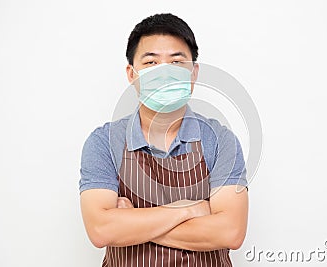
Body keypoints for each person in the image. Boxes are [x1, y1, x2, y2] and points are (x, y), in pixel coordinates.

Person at [79, 13, 249, 267]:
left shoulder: (220, 140)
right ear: (132, 74)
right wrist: (189, 209)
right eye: (151, 63)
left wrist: (131, 223)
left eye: (177, 62)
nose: (164, 72)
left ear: (193, 73)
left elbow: (230, 232)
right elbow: (102, 230)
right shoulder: (104, 142)